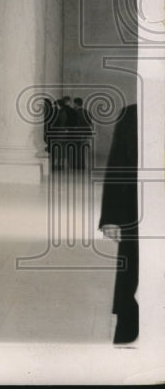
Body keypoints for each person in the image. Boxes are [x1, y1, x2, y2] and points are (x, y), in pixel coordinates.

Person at [99, 103, 138, 345]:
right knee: (135, 275)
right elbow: (117, 164)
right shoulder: (132, 114)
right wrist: (111, 216)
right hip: (138, 210)